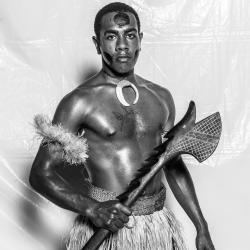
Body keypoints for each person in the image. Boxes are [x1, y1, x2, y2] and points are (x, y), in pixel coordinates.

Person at [30, 2, 215, 250]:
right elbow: (41, 174)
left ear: (140, 39)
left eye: (129, 35)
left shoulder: (160, 97)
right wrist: (92, 208)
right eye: (111, 36)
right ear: (97, 44)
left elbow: (172, 163)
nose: (122, 45)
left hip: (156, 227)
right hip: (105, 229)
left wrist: (201, 226)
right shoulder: (79, 102)